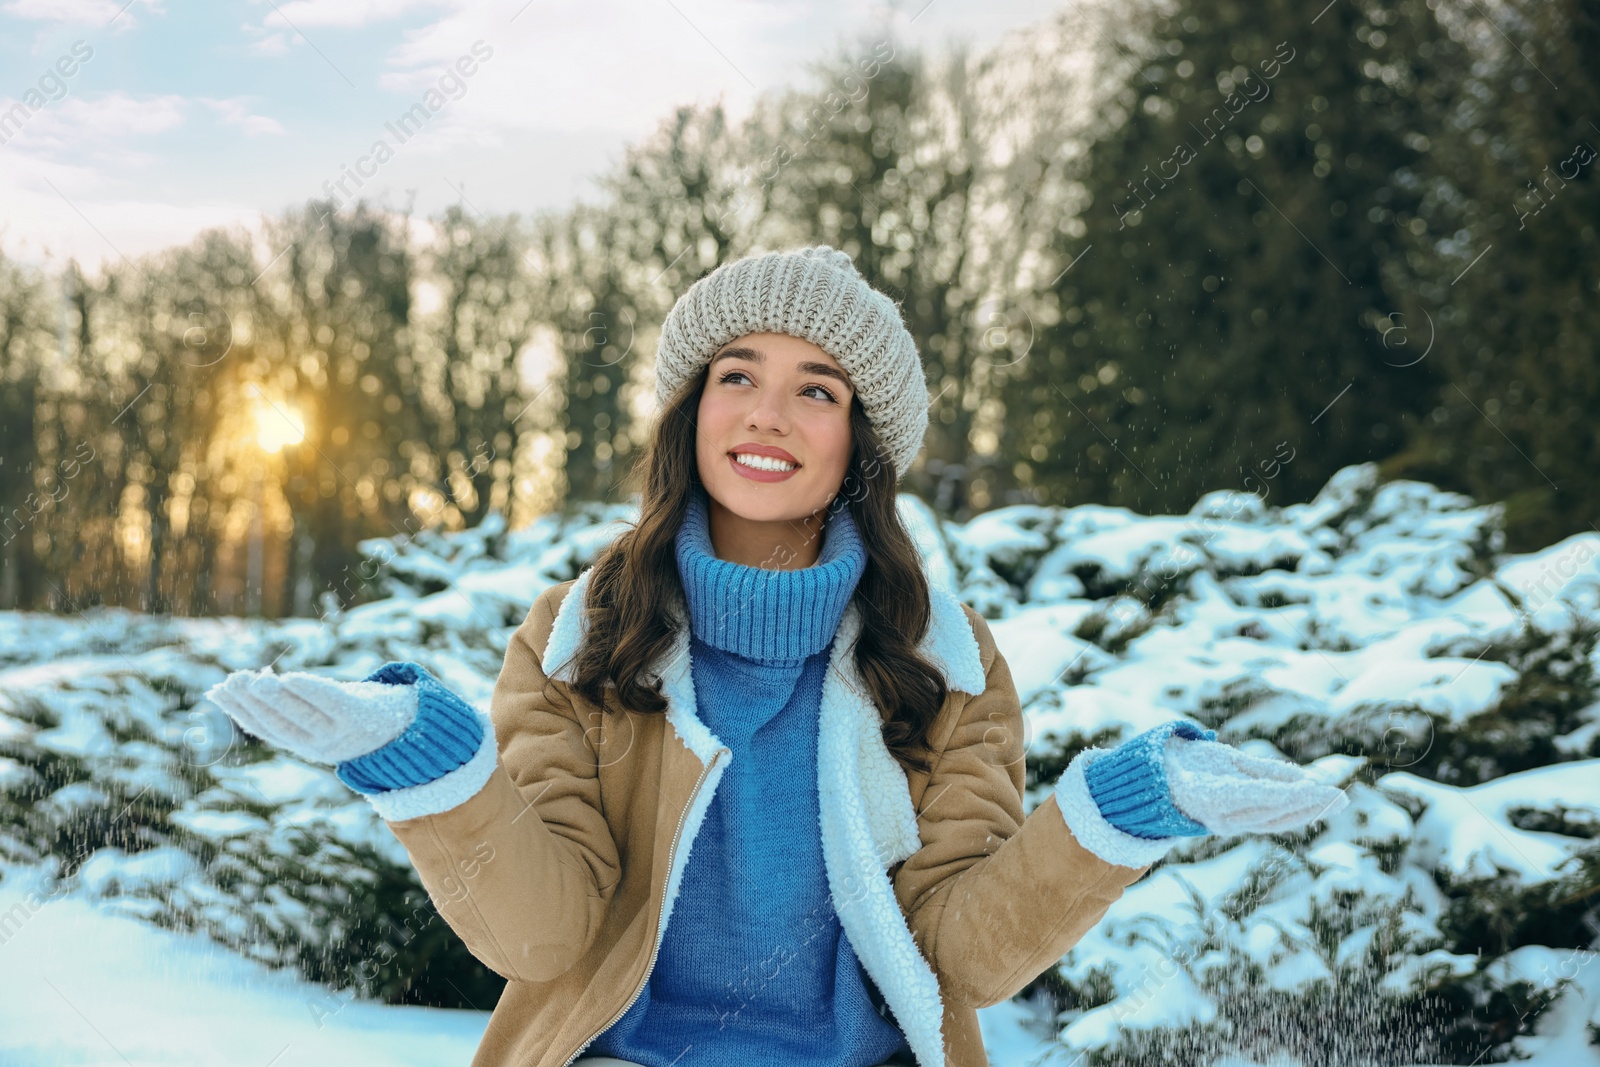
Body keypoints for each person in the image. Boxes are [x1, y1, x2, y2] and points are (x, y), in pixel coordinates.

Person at [206, 245, 1348, 1067]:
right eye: (737, 374)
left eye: (818, 390)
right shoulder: (578, 635)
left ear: (858, 441)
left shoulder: (943, 659)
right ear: (691, 407)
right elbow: (541, 934)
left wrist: (1120, 808)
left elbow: (966, 950)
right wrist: (427, 764)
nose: (767, 414)